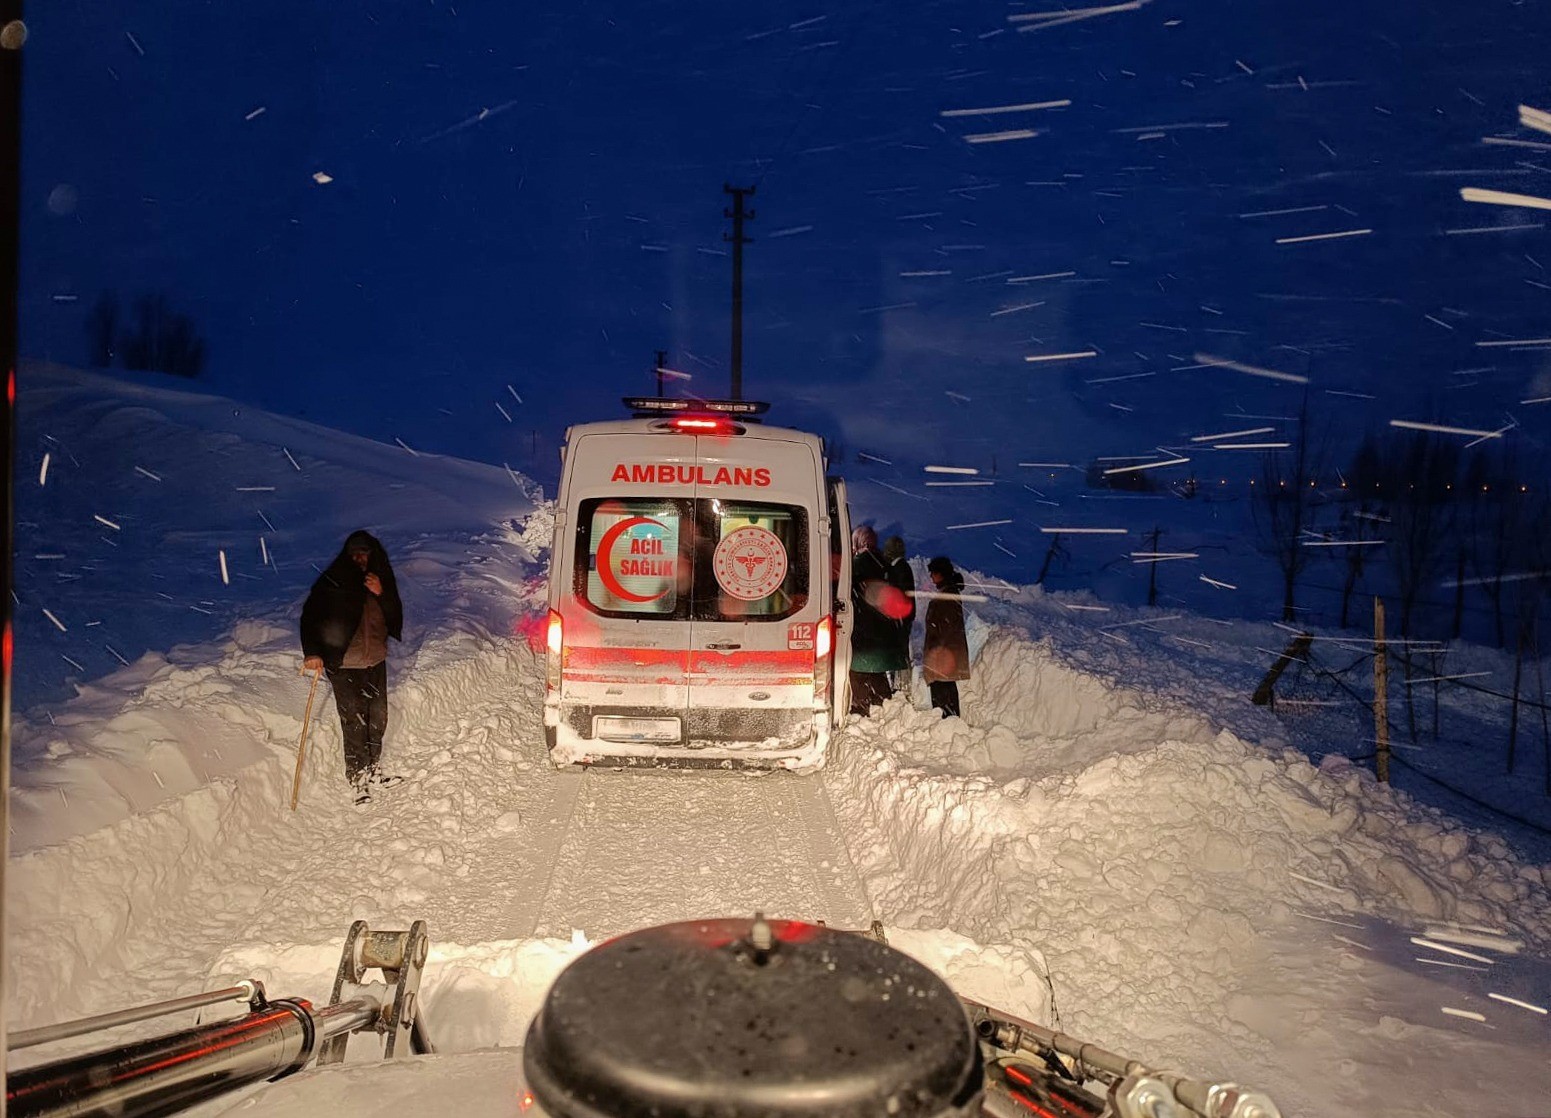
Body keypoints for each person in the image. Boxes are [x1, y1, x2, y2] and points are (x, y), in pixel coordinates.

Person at [301, 529, 405, 805]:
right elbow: (310, 617)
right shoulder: (334, 581)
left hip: (375, 660)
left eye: (365, 553)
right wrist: (313, 652)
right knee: (354, 721)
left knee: (377, 717)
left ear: (373, 555)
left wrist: (381, 593)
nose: (360, 558)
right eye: (355, 554)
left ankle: (373, 768)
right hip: (344, 663)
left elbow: (395, 614)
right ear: (347, 556)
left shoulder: (379, 581)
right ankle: (358, 776)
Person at [848, 526, 909, 714]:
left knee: (858, 673)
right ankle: (883, 705)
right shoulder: (886, 565)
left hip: (862, 633)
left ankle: (860, 708)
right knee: (878, 673)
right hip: (883, 633)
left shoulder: (855, 565)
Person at [923, 556, 970, 719]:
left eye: (933, 573)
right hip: (945, 654)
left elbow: (946, 628)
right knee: (946, 688)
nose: (931, 577)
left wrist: (936, 651)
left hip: (943, 656)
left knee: (943, 691)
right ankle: (949, 720)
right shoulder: (949, 592)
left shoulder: (947, 596)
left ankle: (947, 722)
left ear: (940, 574)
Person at [882, 535, 916, 692]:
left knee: (900, 654)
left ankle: (902, 686)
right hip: (901, 619)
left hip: (900, 619)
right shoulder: (900, 567)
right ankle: (900, 685)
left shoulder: (900, 569)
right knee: (899, 652)